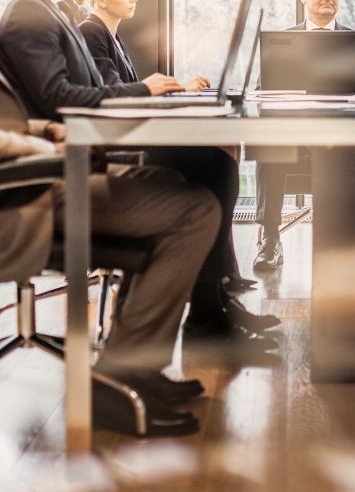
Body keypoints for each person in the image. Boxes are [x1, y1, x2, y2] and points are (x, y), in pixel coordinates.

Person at [0, 0, 277, 352]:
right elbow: (61, 98)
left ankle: (166, 343)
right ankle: (136, 363)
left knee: (205, 166)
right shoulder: (27, 14)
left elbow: (80, 91)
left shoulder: (48, 12)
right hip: (56, 181)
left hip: (77, 165)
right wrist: (146, 93)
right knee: (197, 198)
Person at [0, 68, 221, 436]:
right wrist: (49, 147)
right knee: (195, 210)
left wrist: (46, 131)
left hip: (30, 177)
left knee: (165, 181)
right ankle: (116, 380)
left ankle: (137, 367)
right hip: (20, 197)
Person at [73, 0, 280, 340]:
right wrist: (161, 90)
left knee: (218, 162)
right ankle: (208, 306)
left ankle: (214, 299)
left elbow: (127, 92)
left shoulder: (110, 36)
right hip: (118, 151)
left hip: (129, 141)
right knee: (216, 166)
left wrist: (178, 91)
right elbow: (112, 98)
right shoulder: (91, 32)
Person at [253, 0, 355, 270]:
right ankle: (271, 240)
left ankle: (349, 241)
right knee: (272, 143)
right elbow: (262, 92)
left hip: (342, 138)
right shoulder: (281, 41)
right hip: (294, 139)